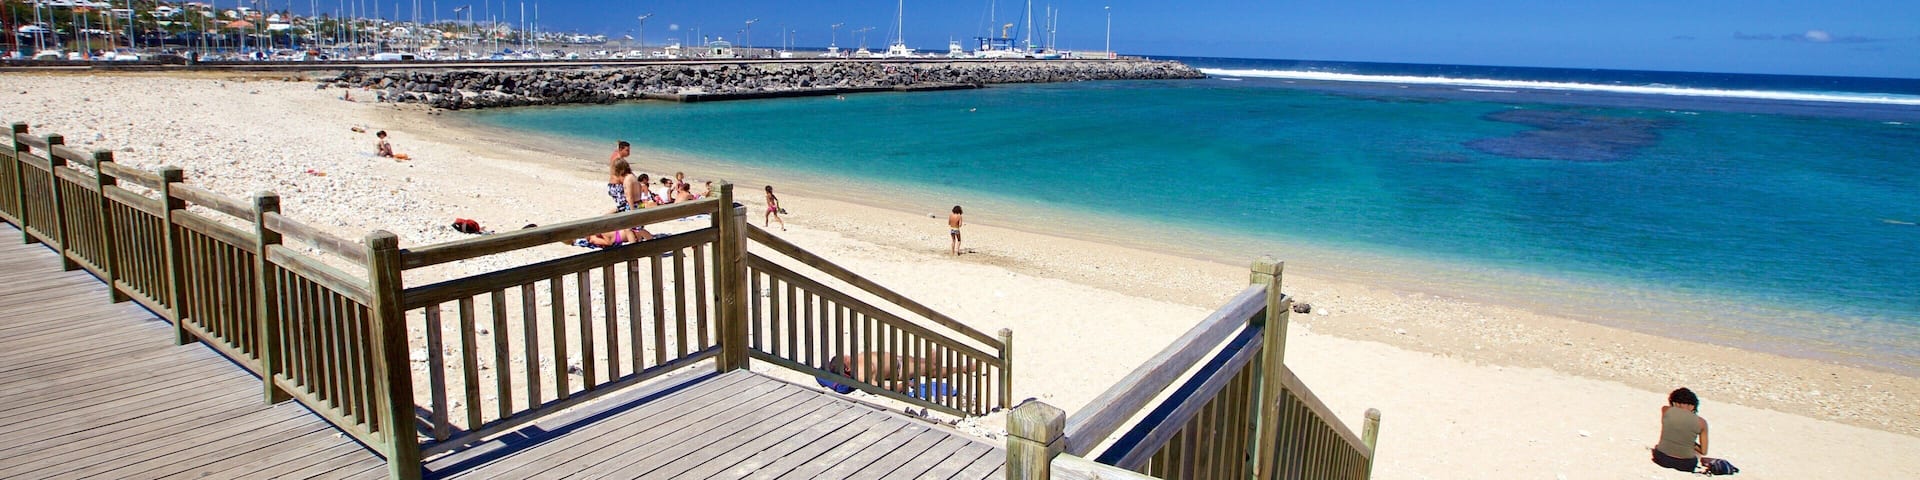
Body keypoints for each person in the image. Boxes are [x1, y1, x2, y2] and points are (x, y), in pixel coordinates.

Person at [817, 352, 979, 396]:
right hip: (900, 370)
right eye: (847, 358)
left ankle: (934, 360)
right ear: (846, 368)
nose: (849, 355)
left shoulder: (856, 359)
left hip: (896, 357)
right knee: (933, 370)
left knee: (927, 363)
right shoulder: (861, 375)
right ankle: (962, 368)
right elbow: (879, 388)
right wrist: (903, 385)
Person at [1653, 387, 1714, 473]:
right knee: (1696, 454)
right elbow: (1703, 451)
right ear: (1693, 406)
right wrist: (1692, 444)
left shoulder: (1665, 410)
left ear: (1674, 403)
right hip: (1685, 464)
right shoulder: (1702, 422)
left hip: (1662, 459)